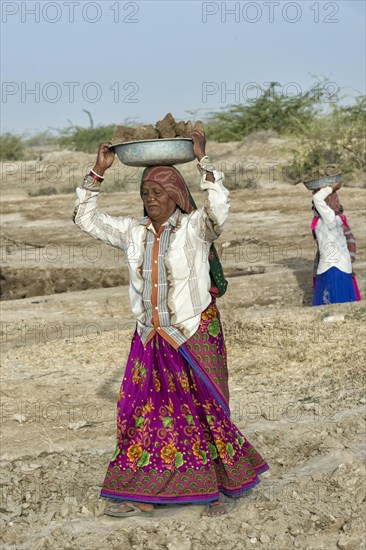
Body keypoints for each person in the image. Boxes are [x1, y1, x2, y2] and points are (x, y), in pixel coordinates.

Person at [72, 129, 268, 518]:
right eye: (146, 194)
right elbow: (84, 218)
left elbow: (220, 209)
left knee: (204, 412)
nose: (151, 200)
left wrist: (203, 161)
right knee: (142, 415)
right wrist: (98, 171)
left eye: (158, 193)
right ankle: (143, 491)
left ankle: (217, 489)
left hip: (192, 332)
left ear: (176, 196)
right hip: (151, 339)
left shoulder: (195, 228)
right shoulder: (133, 233)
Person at [311, 179, 361, 306]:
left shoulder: (330, 217)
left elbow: (317, 198)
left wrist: (331, 188)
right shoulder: (325, 220)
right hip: (330, 266)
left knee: (333, 302)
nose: (314, 207)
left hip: (333, 267)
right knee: (338, 303)